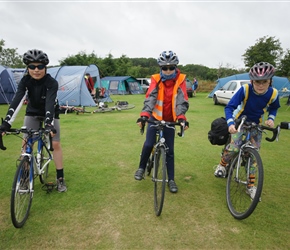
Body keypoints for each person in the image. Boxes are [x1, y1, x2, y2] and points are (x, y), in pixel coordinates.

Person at [0, 49, 67, 192]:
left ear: (45, 67)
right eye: (32, 66)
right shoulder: (25, 81)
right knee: (26, 142)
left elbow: (49, 103)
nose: (36, 70)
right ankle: (24, 176)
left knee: (55, 143)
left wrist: (49, 124)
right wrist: (6, 123)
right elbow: (17, 101)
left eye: (40, 66)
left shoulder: (51, 82)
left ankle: (60, 177)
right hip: (32, 112)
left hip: (51, 112)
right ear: (28, 68)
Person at [214, 62, 280, 198]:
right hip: (240, 121)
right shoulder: (245, 89)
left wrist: (271, 118)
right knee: (234, 148)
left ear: (270, 81)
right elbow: (229, 107)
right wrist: (231, 123)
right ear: (252, 81)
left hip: (257, 125)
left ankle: (250, 186)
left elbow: (274, 107)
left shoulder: (274, 93)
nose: (261, 85)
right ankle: (222, 165)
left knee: (253, 156)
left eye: (264, 82)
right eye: (257, 82)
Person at [134, 50, 189, 193]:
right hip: (155, 118)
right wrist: (145, 115)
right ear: (160, 68)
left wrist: (181, 117)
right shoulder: (156, 79)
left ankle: (171, 179)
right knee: (148, 144)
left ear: (176, 67)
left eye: (171, 67)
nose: (168, 71)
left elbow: (181, 101)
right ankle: (141, 167)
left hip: (170, 120)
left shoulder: (181, 80)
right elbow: (151, 97)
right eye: (165, 68)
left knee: (170, 151)